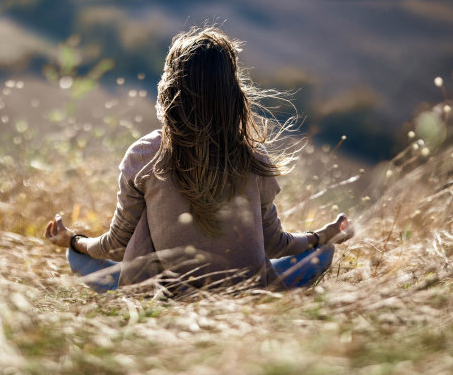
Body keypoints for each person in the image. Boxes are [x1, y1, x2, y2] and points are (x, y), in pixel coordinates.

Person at [45, 27, 354, 293]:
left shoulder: (144, 154)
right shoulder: (253, 157)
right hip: (248, 295)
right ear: (234, 95)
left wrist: (73, 241)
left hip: (165, 296)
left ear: (168, 90)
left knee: (80, 259)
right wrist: (323, 236)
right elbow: (276, 245)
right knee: (322, 252)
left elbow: (116, 247)